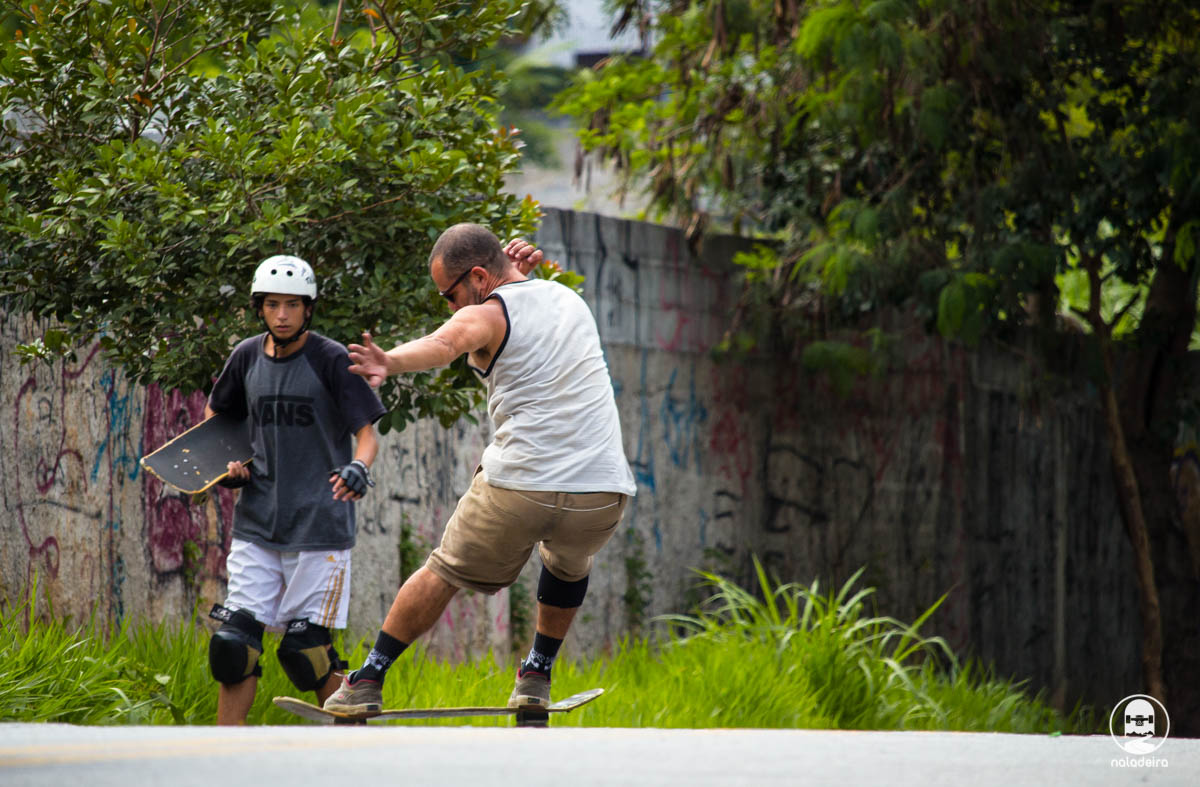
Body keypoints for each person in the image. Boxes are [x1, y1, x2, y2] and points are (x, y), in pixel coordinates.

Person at [323, 224, 636, 715]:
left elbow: (448, 342)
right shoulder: (568, 300)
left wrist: (391, 360)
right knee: (570, 561)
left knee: (443, 570)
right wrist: (509, 286)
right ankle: (536, 673)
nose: (450, 307)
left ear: (478, 277)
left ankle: (368, 678)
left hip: (520, 487)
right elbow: (521, 313)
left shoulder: (486, 314)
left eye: (450, 295)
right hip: (602, 494)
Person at [204, 254, 387, 725]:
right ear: (259, 308)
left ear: (308, 309)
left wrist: (358, 468)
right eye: (272, 305)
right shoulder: (245, 355)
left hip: (319, 525)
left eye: (292, 305)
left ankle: (351, 735)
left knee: (308, 651)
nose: (281, 314)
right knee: (234, 644)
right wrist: (229, 466)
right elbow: (217, 418)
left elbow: (367, 435)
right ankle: (226, 749)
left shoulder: (329, 359)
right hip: (258, 522)